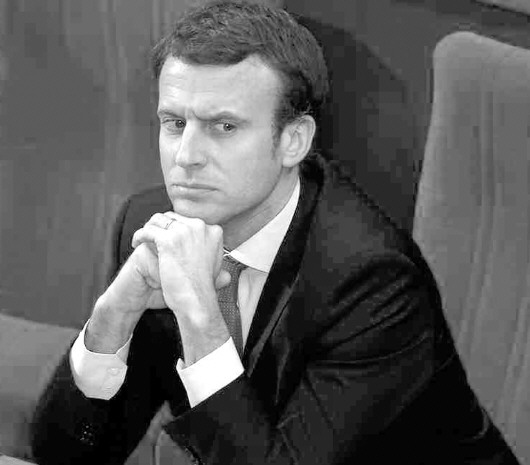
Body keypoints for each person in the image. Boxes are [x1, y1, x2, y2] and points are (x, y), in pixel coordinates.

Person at [31, 2, 519, 464]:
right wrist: (111, 320)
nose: (186, 156)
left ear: (293, 141)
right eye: (175, 123)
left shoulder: (373, 282)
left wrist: (201, 319)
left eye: (224, 127)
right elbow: (68, 457)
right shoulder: (154, 226)